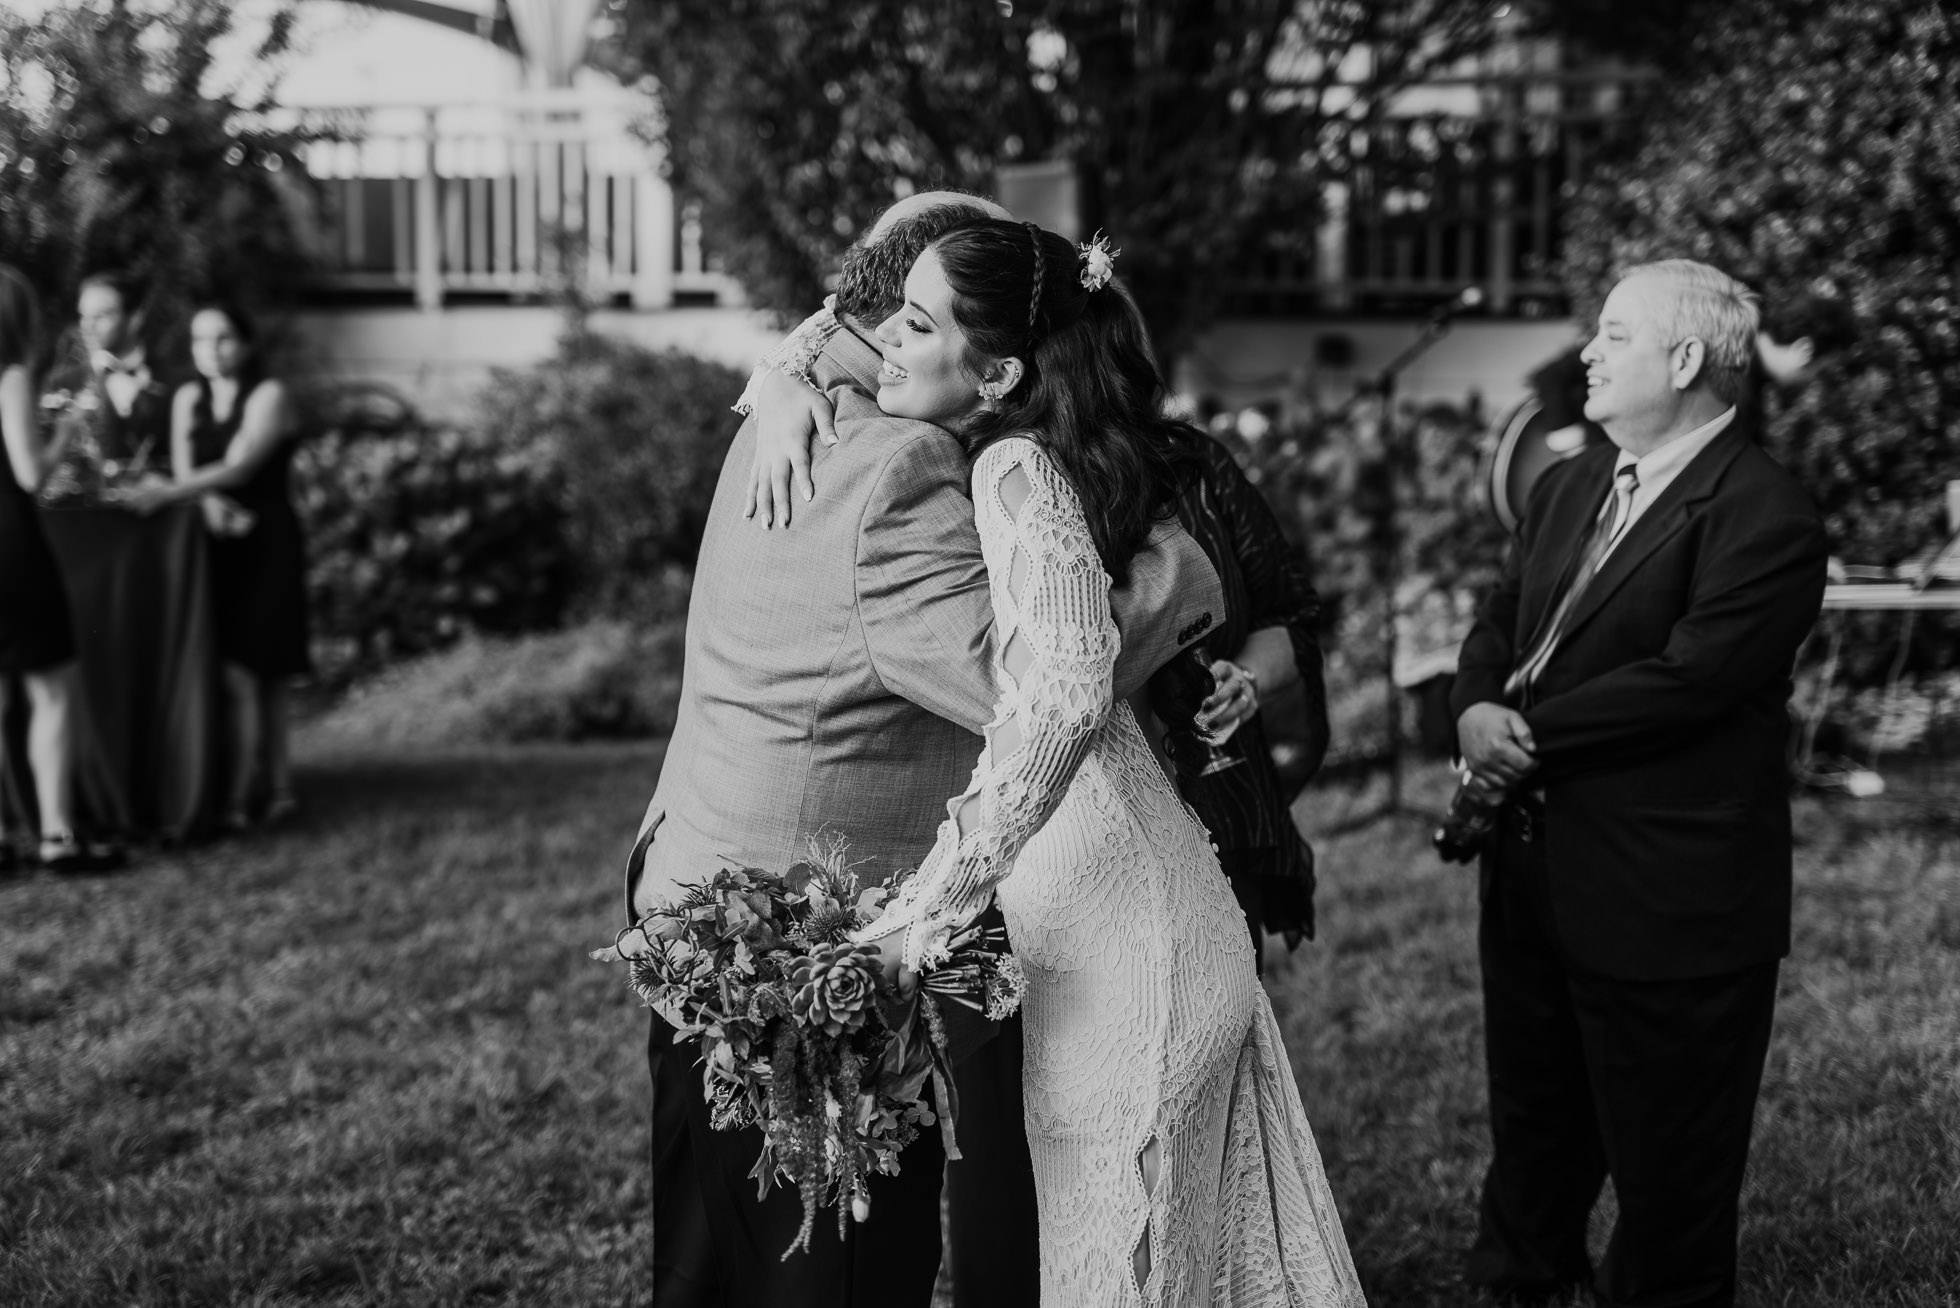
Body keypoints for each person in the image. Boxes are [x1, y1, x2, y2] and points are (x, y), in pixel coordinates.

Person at [614, 193, 1227, 1308]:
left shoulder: (793, 405)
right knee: (835, 1275)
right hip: (796, 942)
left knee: (708, 1261)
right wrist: (1176, 573)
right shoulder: (899, 466)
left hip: (695, 876)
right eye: (914, 311)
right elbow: (1033, 682)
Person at [851, 218, 1364, 1306]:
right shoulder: (1062, 449)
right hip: (1145, 915)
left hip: (1123, 953)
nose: (883, 342)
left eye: (914, 321)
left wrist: (930, 904)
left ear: (994, 371)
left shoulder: (1011, 465)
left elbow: (1073, 687)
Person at [1450, 259, 1829, 1308]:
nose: (1586, 352)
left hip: (1670, 898)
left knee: (1671, 1178)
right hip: (1531, 875)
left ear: (1686, 357)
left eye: (1613, 335)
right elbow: (1499, 616)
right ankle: (1517, 1282)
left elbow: (1691, 679)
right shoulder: (1570, 482)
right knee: (1532, 1128)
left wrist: (1519, 734)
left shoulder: (1764, 514)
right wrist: (1472, 707)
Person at [125, 301, 309, 829]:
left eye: (223, 338)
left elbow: (242, 463)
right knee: (238, 675)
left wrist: (169, 493)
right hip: (217, 543)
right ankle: (247, 792)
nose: (211, 350)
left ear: (246, 343)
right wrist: (205, 504)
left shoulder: (269, 394)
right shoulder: (188, 397)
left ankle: (268, 790)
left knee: (265, 672)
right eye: (201, 340)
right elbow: (191, 468)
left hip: (267, 540)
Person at [1169, 437, 1330, 966]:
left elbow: (1291, 615)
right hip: (1083, 835)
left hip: (1220, 809)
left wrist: (1244, 679)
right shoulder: (994, 470)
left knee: (1233, 1011)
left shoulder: (1194, 463)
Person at [0, 263, 120, 874]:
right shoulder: (12, 373)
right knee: (51, 690)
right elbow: (29, 474)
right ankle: (57, 838)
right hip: (11, 544)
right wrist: (69, 427)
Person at [45, 270, 173, 472]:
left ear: (135, 318)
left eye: (101, 316)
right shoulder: (62, 383)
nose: (87, 326)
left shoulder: (174, 382)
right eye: (83, 316)